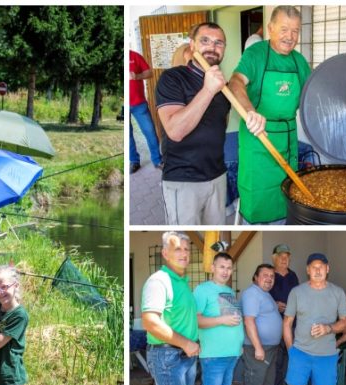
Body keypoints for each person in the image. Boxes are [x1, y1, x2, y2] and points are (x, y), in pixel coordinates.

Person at [156, 22, 262, 225]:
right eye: (205, 41)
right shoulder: (172, 78)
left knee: (214, 241)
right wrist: (208, 90)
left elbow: (218, 125)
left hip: (217, 176)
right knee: (184, 237)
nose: (212, 47)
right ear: (192, 45)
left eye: (219, 43)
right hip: (183, 180)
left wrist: (252, 113)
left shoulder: (224, 87)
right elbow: (175, 131)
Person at [229, 6, 311, 224]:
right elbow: (235, 82)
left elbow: (313, 96)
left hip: (287, 139)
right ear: (270, 28)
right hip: (258, 137)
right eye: (284, 29)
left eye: (295, 31)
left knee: (287, 195)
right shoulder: (255, 54)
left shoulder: (299, 61)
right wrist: (250, 112)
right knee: (258, 199)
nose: (290, 37)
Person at [141, 232, 200, 385]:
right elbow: (150, 322)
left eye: (187, 249)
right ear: (165, 253)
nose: (184, 254)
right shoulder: (159, 281)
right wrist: (186, 343)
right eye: (178, 249)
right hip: (168, 356)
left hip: (187, 354)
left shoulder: (183, 283)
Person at [283, 253, 346, 385]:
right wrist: (291, 351)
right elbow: (287, 323)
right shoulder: (296, 292)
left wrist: (328, 328)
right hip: (300, 352)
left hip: (326, 354)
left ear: (328, 269)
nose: (318, 271)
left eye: (321, 267)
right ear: (308, 270)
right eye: (314, 267)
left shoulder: (338, 292)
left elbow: (345, 323)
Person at [194, 252, 244, 385]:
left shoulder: (229, 291)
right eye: (222, 267)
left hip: (233, 353)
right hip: (214, 355)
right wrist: (221, 320)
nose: (225, 271)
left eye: (229, 268)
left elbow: (234, 320)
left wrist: (239, 344)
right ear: (212, 268)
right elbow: (196, 320)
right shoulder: (202, 290)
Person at [241, 264, 284, 385]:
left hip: (270, 349)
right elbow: (249, 321)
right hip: (258, 349)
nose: (269, 278)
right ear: (255, 277)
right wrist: (258, 348)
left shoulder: (264, 293)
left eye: (272, 276)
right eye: (265, 275)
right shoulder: (252, 293)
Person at [129, 49, 163, 173]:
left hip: (139, 104)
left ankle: (157, 160)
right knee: (128, 137)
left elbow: (149, 73)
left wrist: (137, 76)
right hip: (122, 105)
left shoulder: (135, 56)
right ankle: (134, 162)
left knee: (150, 132)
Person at [270, 244, 298, 385]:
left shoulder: (293, 276)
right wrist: (274, 304)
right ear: (274, 258)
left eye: (286, 257)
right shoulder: (269, 275)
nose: (284, 259)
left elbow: (298, 297)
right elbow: (261, 297)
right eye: (280, 256)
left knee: (291, 356)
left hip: (292, 324)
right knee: (276, 360)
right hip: (274, 325)